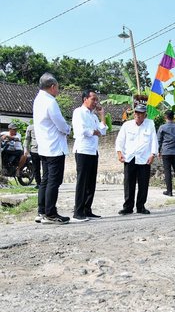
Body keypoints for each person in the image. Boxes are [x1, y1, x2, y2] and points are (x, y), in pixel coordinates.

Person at [33, 72, 71, 224]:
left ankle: (41, 211)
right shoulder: (50, 101)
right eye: (58, 88)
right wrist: (68, 129)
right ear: (53, 86)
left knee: (46, 180)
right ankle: (51, 213)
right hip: (54, 147)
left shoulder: (38, 99)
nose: (58, 91)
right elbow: (60, 124)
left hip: (44, 147)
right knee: (54, 181)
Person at [115, 104, 158, 215]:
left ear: (145, 115)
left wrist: (153, 154)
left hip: (144, 158)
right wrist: (119, 152)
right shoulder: (127, 125)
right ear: (134, 113)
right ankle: (128, 207)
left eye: (141, 113)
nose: (138, 115)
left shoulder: (150, 124)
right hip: (130, 157)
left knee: (143, 183)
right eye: (137, 113)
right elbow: (120, 140)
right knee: (129, 183)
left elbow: (154, 140)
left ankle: (141, 206)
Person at [71, 90, 107, 221]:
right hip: (82, 150)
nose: (95, 102)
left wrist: (102, 115)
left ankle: (87, 209)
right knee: (82, 182)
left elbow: (103, 131)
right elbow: (80, 130)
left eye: (96, 100)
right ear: (85, 99)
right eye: (93, 99)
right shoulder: (78, 112)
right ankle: (78, 211)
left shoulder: (94, 116)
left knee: (91, 182)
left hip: (93, 150)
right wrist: (93, 131)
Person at [157, 109, 175, 196]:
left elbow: (159, 140)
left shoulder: (162, 127)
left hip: (166, 152)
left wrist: (158, 151)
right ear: (174, 117)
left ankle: (169, 191)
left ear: (165, 117)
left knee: (167, 171)